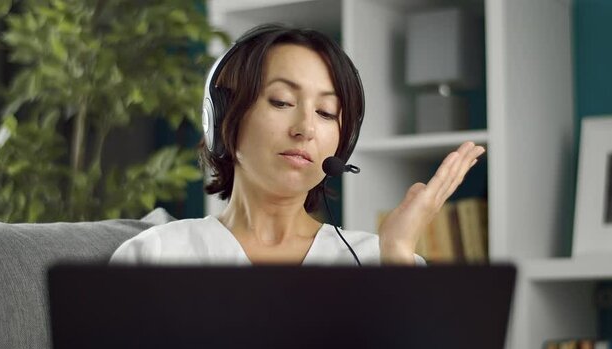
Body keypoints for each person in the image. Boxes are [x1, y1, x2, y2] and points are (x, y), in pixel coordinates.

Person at [109, 24, 485, 266]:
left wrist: (400, 251)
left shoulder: (380, 260)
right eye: (281, 102)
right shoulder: (154, 256)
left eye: (325, 112)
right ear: (223, 117)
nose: (305, 128)